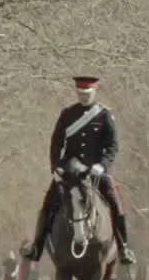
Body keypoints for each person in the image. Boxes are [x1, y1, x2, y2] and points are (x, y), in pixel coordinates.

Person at [22, 76, 136, 265]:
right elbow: (56, 142)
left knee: (115, 205)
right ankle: (37, 247)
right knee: (48, 205)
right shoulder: (67, 114)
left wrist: (102, 165)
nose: (83, 97)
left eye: (87, 94)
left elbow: (112, 146)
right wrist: (56, 166)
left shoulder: (104, 115)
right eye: (80, 94)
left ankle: (124, 248)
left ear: (95, 91)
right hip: (69, 171)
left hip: (95, 172)